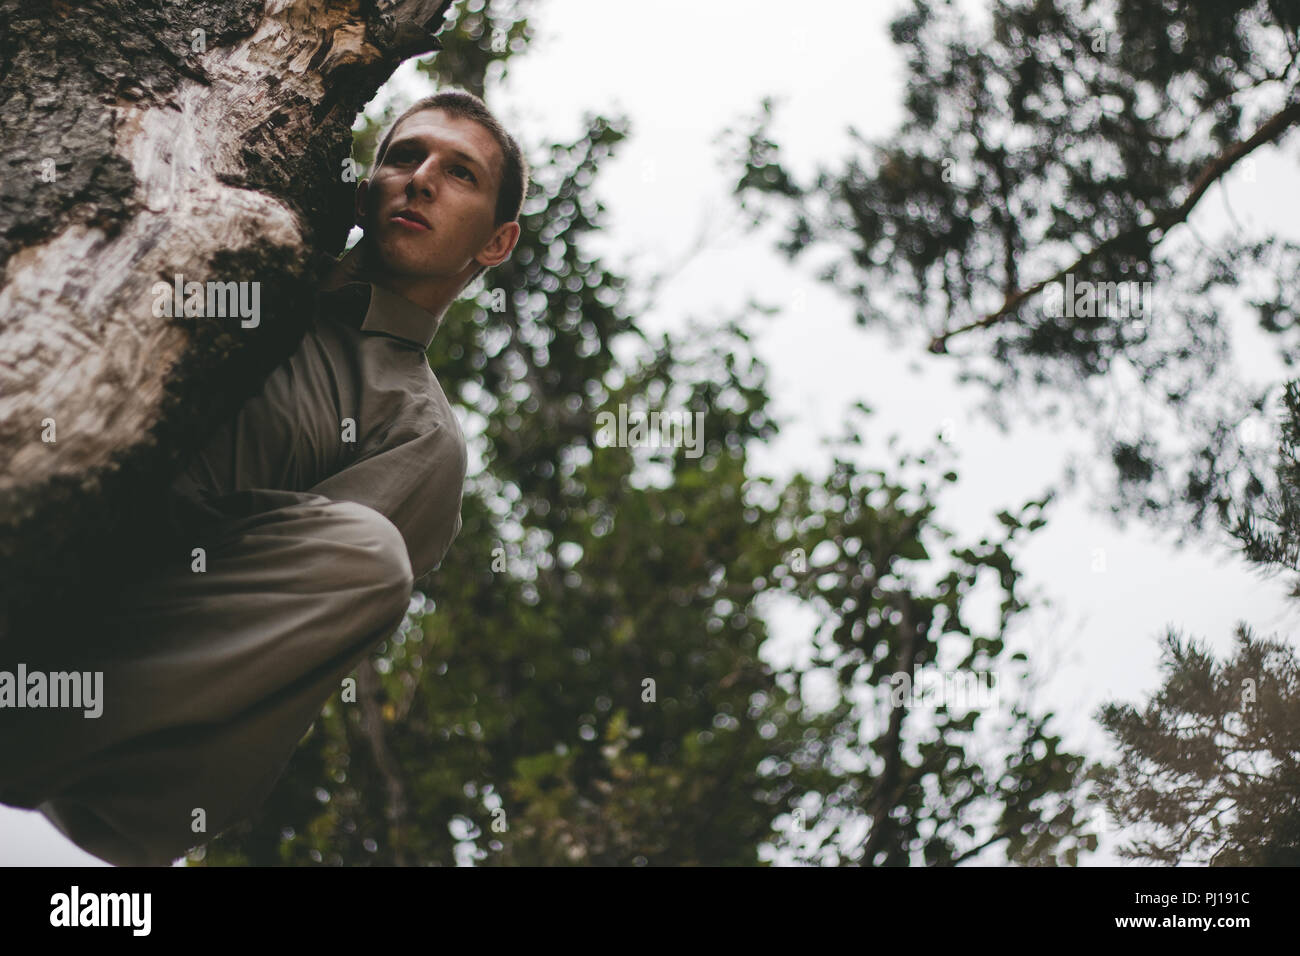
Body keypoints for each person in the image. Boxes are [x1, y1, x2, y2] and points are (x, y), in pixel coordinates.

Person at [0, 90, 528, 866]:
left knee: (367, 554)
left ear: (497, 242)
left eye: (460, 174)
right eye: (403, 157)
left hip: (100, 673)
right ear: (365, 186)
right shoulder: (232, 238)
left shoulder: (418, 435)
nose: (419, 180)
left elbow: (271, 611)